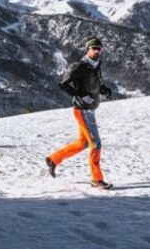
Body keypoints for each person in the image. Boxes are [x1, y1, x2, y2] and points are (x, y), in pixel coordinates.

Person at [45, 36, 113, 189]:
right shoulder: (79, 66)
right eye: (94, 48)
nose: (97, 51)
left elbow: (94, 84)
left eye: (99, 48)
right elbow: (63, 84)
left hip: (90, 109)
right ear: (87, 50)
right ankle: (96, 179)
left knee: (83, 143)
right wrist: (81, 95)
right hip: (82, 110)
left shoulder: (96, 66)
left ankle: (53, 159)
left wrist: (104, 90)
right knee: (95, 144)